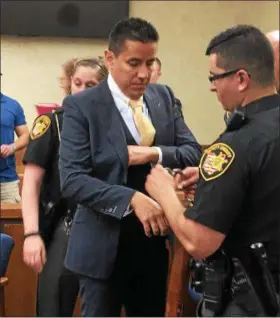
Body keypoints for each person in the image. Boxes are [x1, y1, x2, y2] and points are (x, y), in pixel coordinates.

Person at [59, 17, 202, 317]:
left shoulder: (162, 97)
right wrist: (132, 200)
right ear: (109, 59)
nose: (144, 74)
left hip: (154, 249)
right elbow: (72, 180)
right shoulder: (81, 107)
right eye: (134, 63)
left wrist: (152, 153)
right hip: (101, 251)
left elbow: (191, 152)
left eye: (150, 63)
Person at [145, 25, 280, 317]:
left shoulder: (235, 145)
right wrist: (212, 177)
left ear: (241, 79)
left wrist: (165, 192)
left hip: (253, 300)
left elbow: (199, 242)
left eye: (215, 78)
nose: (212, 87)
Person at [21, 57, 108, 317]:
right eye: (77, 83)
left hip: (102, 224)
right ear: (69, 84)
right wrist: (31, 234)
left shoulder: (111, 126)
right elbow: (31, 184)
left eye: (90, 84)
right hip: (63, 223)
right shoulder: (51, 123)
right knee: (53, 307)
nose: (81, 90)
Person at [0, 76, 29, 203]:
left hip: (7, 182)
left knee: (11, 221)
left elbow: (25, 135)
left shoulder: (13, 105)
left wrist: (12, 147)